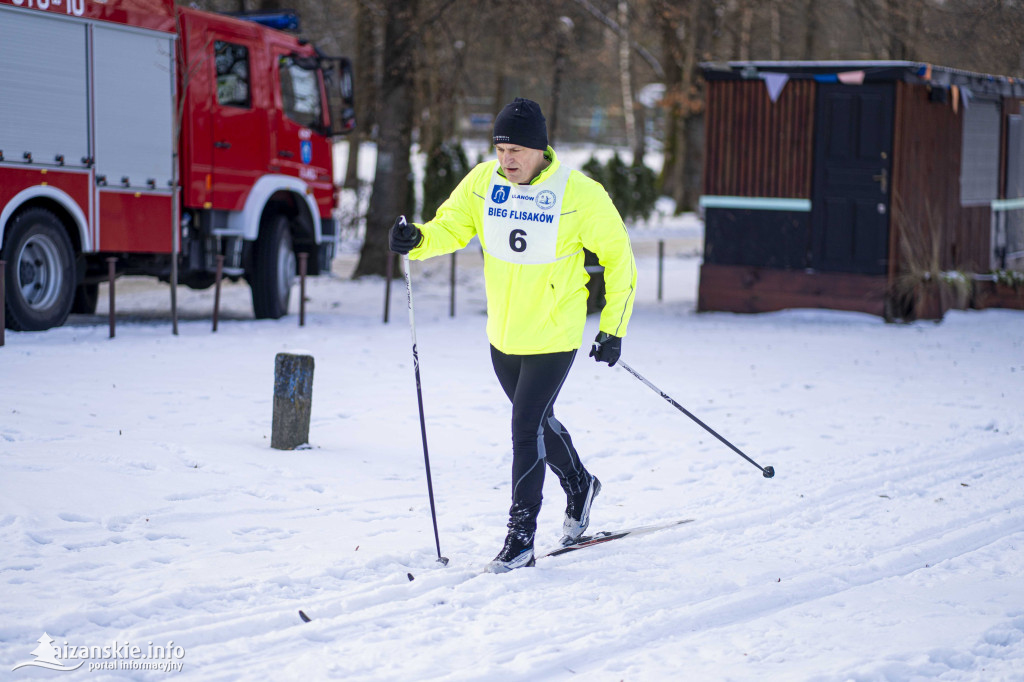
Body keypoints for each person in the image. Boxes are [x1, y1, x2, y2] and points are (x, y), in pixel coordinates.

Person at [390, 97, 636, 573]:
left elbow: (620, 259)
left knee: (524, 429)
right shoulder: (483, 183)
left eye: (517, 150)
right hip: (503, 333)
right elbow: (450, 227)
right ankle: (581, 484)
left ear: (541, 149)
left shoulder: (579, 193)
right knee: (539, 423)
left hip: (553, 333)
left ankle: (520, 538)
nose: (507, 159)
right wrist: (417, 240)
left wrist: (613, 328)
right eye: (501, 148)